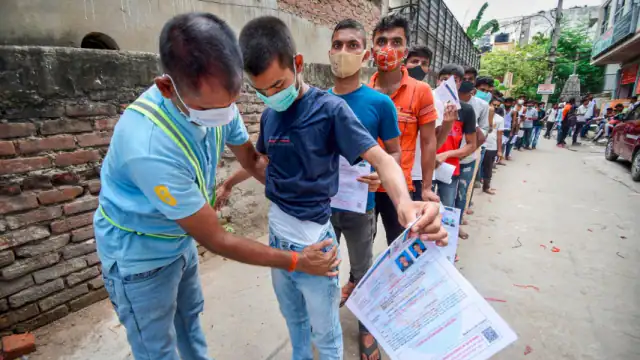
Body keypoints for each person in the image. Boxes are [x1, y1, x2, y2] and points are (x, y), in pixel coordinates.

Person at [93, 13, 341, 360]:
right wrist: (297, 260)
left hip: (179, 243)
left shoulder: (219, 100)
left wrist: (299, 196)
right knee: (157, 349)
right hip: (140, 255)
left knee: (190, 324)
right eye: (212, 108)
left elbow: (252, 161)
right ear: (167, 87)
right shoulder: (148, 147)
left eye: (233, 100)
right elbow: (217, 238)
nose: (226, 114)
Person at [231, 16, 446, 360]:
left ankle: (365, 329)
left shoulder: (330, 109)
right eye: (260, 90)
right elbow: (262, 164)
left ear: (298, 64)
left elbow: (384, 157)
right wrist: (227, 136)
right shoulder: (271, 115)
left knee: (326, 334)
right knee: (294, 321)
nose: (270, 96)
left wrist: (405, 202)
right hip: (277, 237)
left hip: (316, 241)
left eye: (277, 85)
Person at [369, 14, 440, 245]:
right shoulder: (363, 90)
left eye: (396, 42)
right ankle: (356, 280)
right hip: (364, 185)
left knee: (400, 243)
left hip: (399, 186)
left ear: (405, 50)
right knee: (361, 244)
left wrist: (427, 188)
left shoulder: (421, 91)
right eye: (381, 42)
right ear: (372, 49)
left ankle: (397, 282)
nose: (387, 48)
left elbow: (428, 142)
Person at [405, 45, 454, 200]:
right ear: (404, 63)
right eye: (414, 61)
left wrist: (447, 125)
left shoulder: (434, 100)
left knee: (412, 222)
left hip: (419, 174)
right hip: (392, 171)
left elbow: (433, 144)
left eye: (424, 64)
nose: (419, 67)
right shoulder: (389, 94)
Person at [432, 65, 477, 207]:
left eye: (454, 80)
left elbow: (472, 144)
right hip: (425, 168)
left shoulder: (466, 110)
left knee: (447, 211)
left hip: (449, 169)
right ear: (438, 81)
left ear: (459, 83)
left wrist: (446, 155)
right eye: (444, 79)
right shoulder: (427, 104)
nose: (448, 83)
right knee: (424, 210)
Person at [482, 96, 505, 194]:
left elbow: (499, 136)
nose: (495, 107)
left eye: (497, 106)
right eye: (493, 104)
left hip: (491, 146)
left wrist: (499, 150)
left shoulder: (500, 119)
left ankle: (486, 187)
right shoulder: (482, 115)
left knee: (488, 167)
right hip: (479, 145)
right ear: (489, 104)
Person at [501, 97, 516, 162]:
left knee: (504, 144)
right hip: (500, 128)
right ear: (504, 103)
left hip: (507, 129)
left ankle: (501, 158)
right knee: (500, 144)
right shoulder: (501, 109)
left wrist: (512, 131)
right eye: (507, 102)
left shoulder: (513, 111)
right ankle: (499, 158)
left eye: (509, 103)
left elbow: (514, 121)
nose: (508, 104)